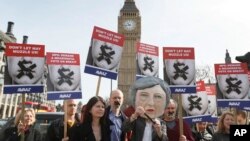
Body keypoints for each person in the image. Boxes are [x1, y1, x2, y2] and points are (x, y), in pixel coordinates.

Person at [122, 76, 171, 141]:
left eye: (158, 96)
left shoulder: (161, 123)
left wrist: (159, 132)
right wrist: (135, 115)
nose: (151, 103)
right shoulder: (137, 120)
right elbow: (124, 128)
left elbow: (165, 140)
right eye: (144, 95)